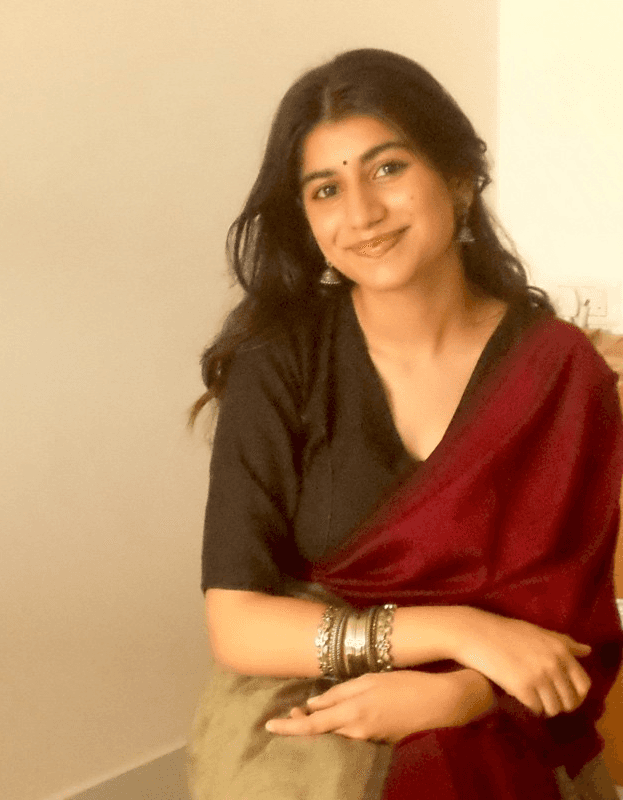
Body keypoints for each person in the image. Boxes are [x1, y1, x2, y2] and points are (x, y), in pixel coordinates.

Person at [188, 49, 623, 800]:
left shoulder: (558, 371)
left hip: (504, 702)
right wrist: (458, 631)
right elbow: (237, 622)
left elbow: (574, 619)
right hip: (310, 697)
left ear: (459, 179)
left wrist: (466, 692)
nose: (361, 213)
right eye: (327, 189)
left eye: (388, 168)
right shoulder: (279, 359)